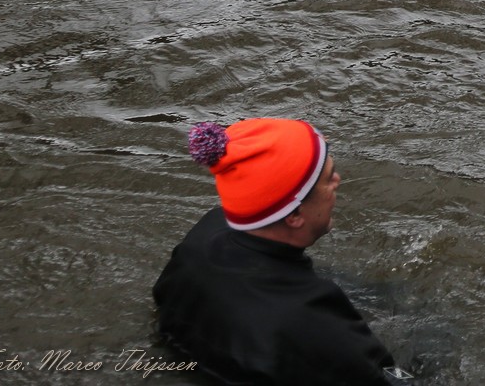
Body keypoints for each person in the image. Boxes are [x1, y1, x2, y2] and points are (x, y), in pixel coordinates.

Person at [153, 117, 411, 385]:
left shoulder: (204, 235)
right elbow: (384, 378)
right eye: (328, 178)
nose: (337, 180)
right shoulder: (312, 321)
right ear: (294, 215)